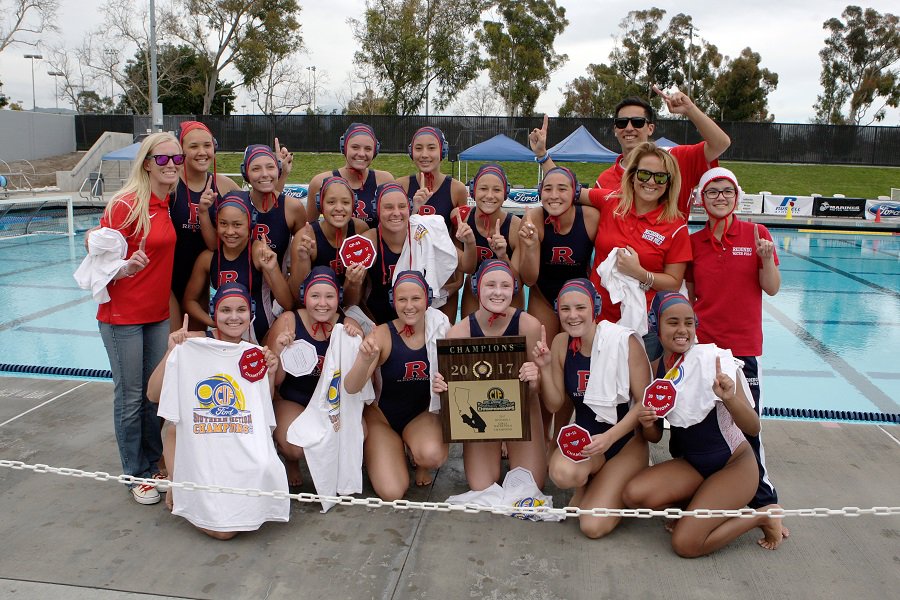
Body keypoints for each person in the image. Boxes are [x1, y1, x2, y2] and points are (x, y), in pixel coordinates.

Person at [622, 292, 786, 557]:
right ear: (656, 326)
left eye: (689, 323)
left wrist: (730, 399)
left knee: (686, 544)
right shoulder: (655, 369)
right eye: (673, 322)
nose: (682, 330)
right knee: (634, 495)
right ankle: (700, 505)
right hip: (694, 466)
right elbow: (654, 436)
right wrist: (647, 421)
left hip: (734, 466)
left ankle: (762, 516)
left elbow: (753, 427)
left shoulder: (715, 361)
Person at [148, 283, 291, 539]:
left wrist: (270, 374)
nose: (234, 317)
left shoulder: (253, 353)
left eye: (241, 310)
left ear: (251, 314)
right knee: (224, 533)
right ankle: (180, 487)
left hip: (232, 441)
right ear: (214, 313)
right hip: (199, 447)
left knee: (264, 471)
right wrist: (171, 351)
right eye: (226, 310)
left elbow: (259, 407)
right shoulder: (192, 343)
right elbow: (153, 394)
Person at [686, 167, 782, 514]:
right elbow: (691, 297)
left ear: (737, 196)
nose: (721, 197)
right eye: (713, 192)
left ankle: (764, 503)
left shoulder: (757, 234)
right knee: (700, 424)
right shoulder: (694, 242)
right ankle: (700, 496)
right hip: (704, 348)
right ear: (702, 199)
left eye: (727, 191)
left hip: (742, 349)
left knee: (748, 426)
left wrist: (766, 257)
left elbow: (772, 288)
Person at [96, 131, 179, 505]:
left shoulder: (167, 201)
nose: (171, 164)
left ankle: (150, 463)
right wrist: (124, 266)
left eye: (176, 158)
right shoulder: (125, 205)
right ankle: (135, 473)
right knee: (130, 397)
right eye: (162, 158)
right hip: (123, 316)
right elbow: (97, 255)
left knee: (150, 397)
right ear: (147, 163)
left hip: (157, 315)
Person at [531, 278, 651, 539]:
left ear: (594, 308)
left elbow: (645, 402)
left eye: (580, 308)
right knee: (561, 473)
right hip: (588, 442)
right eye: (565, 309)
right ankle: (596, 481)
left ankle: (617, 480)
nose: (572, 315)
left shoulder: (623, 341)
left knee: (592, 527)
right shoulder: (561, 343)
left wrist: (610, 437)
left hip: (624, 443)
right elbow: (554, 403)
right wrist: (545, 368)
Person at [433, 260, 546, 490]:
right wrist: (443, 389)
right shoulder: (458, 334)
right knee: (481, 486)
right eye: (490, 285)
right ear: (477, 288)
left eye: (505, 286)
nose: (498, 292)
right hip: (481, 412)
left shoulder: (529, 326)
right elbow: (456, 397)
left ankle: (512, 446)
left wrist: (535, 378)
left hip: (522, 407)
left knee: (529, 485)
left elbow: (537, 390)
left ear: (514, 289)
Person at [530, 86, 730, 215]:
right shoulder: (605, 180)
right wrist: (542, 155)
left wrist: (690, 109)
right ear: (615, 129)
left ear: (650, 128)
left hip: (670, 266)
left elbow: (720, 144)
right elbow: (566, 188)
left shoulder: (675, 159)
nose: (629, 128)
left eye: (637, 122)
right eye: (622, 122)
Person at [345, 271, 450, 500]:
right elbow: (351, 387)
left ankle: (417, 457)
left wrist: (447, 386)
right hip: (382, 418)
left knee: (431, 454)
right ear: (393, 301)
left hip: (421, 416)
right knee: (391, 492)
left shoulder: (441, 330)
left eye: (416, 299)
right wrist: (364, 360)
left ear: (427, 299)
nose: (409, 306)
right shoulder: (382, 334)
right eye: (402, 299)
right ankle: (388, 451)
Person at [516, 166, 599, 437]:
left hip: (576, 302)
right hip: (543, 296)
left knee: (570, 368)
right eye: (548, 189)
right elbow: (529, 279)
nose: (554, 195)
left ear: (575, 192)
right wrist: (530, 247)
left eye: (562, 188)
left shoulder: (590, 218)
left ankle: (561, 433)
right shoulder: (534, 218)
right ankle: (539, 432)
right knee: (539, 364)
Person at [265, 267, 361, 489]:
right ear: (304, 296)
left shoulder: (349, 326)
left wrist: (359, 347)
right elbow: (275, 382)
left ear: (339, 297)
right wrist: (279, 349)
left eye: (329, 296)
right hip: (293, 399)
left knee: (359, 433)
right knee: (295, 445)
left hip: (332, 403)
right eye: (315, 296)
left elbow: (358, 383)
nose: (322, 303)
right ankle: (291, 460)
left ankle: (334, 470)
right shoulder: (289, 321)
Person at [356, 182, 475, 325]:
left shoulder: (424, 232)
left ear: (409, 208)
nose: (396, 213)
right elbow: (355, 299)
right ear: (377, 210)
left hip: (419, 322)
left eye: (402, 206)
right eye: (388, 207)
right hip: (377, 322)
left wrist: (470, 243)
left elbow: (467, 266)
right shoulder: (369, 242)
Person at [183, 191, 293, 343]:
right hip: (224, 336)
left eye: (237, 225)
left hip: (262, 336)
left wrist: (272, 269)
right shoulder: (208, 258)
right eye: (223, 224)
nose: (230, 231)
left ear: (250, 223)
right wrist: (214, 322)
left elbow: (287, 303)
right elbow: (189, 301)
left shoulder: (258, 253)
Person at [169, 121, 240, 331]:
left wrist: (280, 175)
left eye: (207, 145)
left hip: (199, 284)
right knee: (174, 343)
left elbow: (259, 211)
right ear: (181, 150)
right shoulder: (170, 183)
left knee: (195, 341)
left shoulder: (224, 186)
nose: (202, 152)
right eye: (193, 146)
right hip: (167, 281)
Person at [399, 126, 469, 322]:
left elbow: (458, 239)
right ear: (411, 152)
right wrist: (413, 209)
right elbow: (394, 233)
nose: (424, 154)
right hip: (409, 272)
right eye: (418, 148)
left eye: (431, 148)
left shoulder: (456, 189)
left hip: (443, 276)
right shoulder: (401, 185)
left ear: (442, 151)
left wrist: (458, 281)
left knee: (442, 334)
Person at [287, 175, 369, 306]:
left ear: (353, 205)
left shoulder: (360, 230)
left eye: (345, 202)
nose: (339, 208)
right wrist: (303, 260)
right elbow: (297, 295)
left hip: (348, 306)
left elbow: (354, 301)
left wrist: (352, 283)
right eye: (331, 202)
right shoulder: (306, 236)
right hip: (314, 306)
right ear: (320, 205)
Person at [454, 164, 524, 316]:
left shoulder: (515, 227)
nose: (490, 195)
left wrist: (503, 256)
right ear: (473, 191)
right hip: (474, 291)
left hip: (509, 292)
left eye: (497, 190)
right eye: (483, 189)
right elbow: (465, 269)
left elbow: (519, 284)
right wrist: (469, 243)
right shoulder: (460, 218)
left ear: (505, 193)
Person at [306, 123, 394, 226]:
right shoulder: (320, 182)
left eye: (368, 149)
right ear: (344, 147)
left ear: (375, 151)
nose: (361, 154)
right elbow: (309, 228)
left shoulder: (384, 180)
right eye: (355, 147)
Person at [240, 143, 305, 268]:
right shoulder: (237, 205)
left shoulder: (293, 208)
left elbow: (301, 258)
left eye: (270, 167)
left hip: (278, 279)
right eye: (256, 169)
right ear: (245, 173)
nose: (264, 174)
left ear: (278, 169)